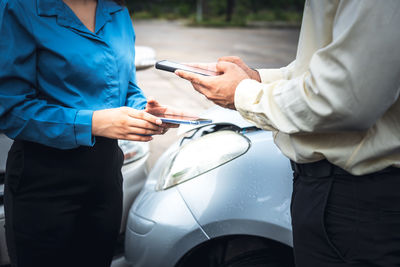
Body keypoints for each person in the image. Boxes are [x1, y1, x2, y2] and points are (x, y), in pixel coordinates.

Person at [176, 0, 400, 266]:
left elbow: (345, 97)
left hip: (356, 200)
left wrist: (243, 93)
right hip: (342, 195)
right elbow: (321, 71)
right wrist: (257, 79)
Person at [0, 0, 178, 266]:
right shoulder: (18, 7)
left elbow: (128, 88)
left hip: (106, 178)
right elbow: (11, 109)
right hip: (43, 179)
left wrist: (145, 111)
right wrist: (94, 123)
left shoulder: (117, 11)